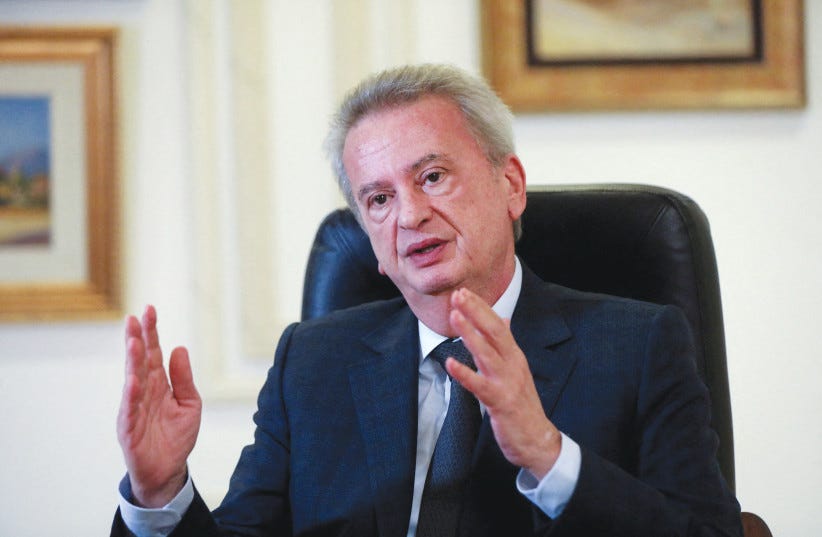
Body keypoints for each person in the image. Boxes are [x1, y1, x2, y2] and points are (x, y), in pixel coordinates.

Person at [111, 64, 742, 537]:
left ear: (510, 186)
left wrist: (550, 457)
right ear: (368, 238)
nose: (409, 215)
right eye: (378, 199)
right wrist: (160, 490)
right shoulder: (313, 362)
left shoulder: (638, 345)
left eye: (432, 176)